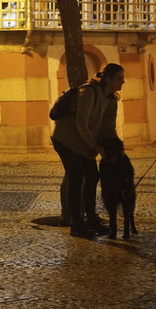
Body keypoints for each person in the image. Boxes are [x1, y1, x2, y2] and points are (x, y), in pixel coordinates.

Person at [51, 63, 125, 238]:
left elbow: (109, 129)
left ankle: (91, 220)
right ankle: (76, 224)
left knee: (92, 176)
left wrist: (116, 148)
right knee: (75, 176)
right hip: (65, 138)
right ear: (108, 79)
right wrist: (96, 147)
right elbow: (80, 124)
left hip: (83, 143)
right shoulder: (89, 92)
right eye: (119, 78)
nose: (123, 82)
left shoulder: (112, 100)